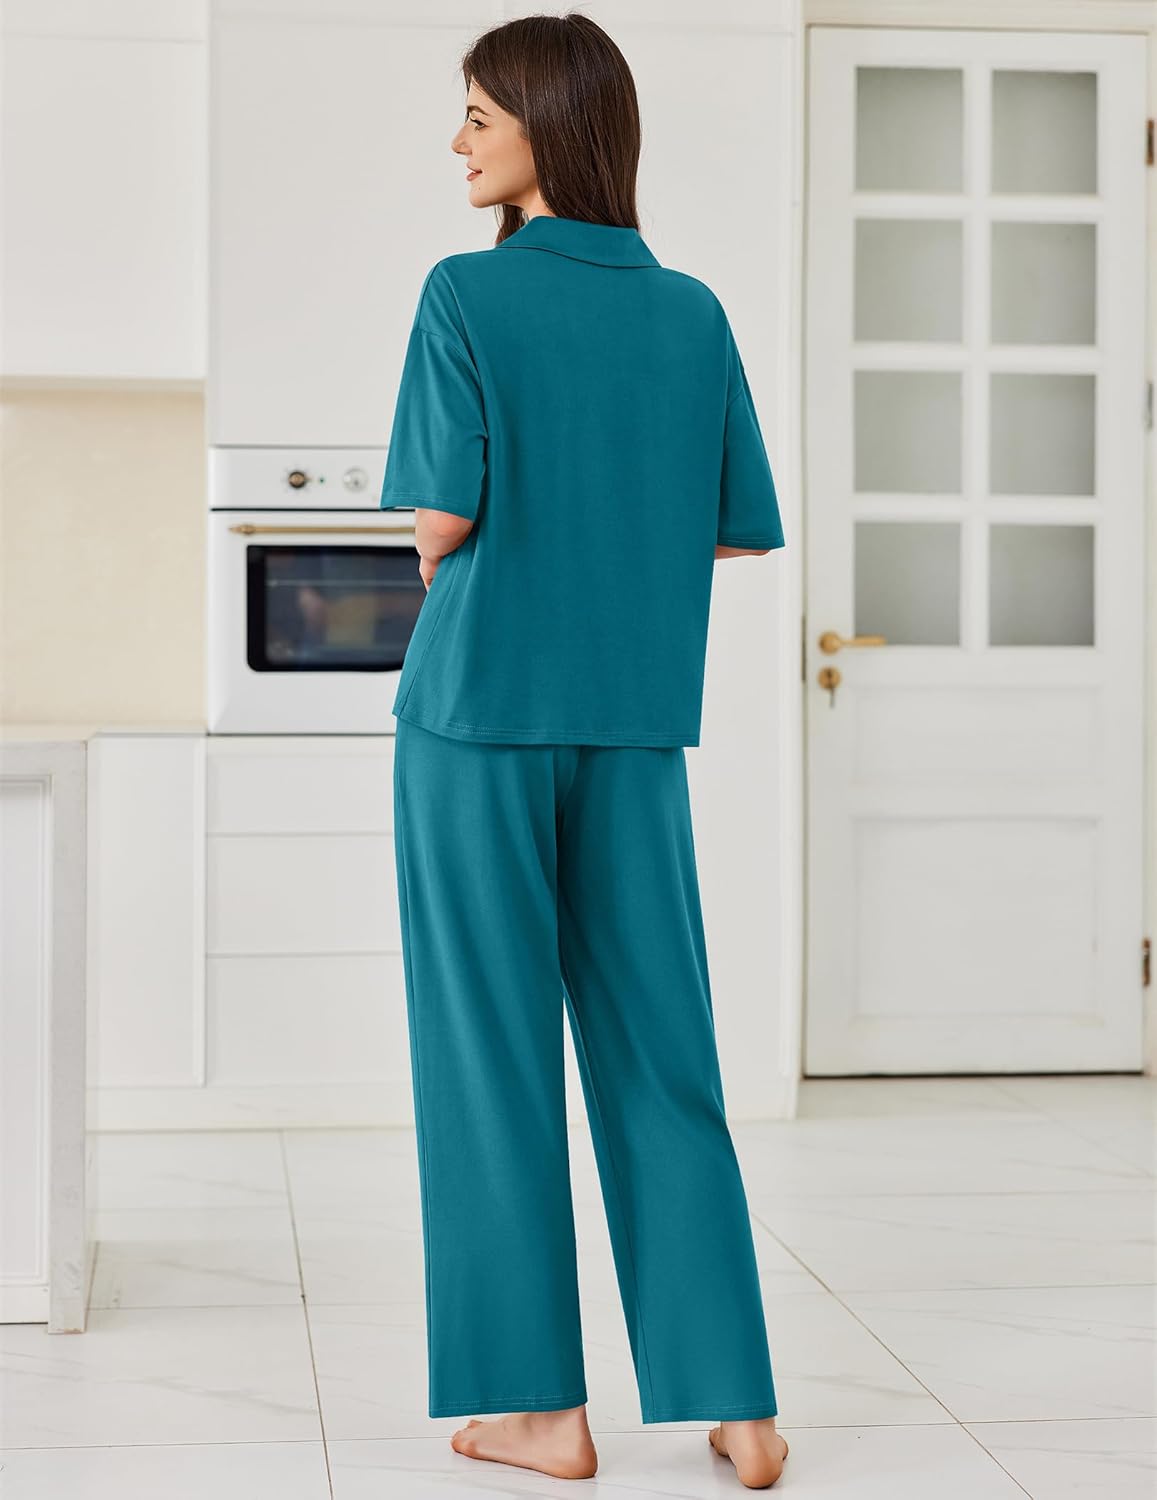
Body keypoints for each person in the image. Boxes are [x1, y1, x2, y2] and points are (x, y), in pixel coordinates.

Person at [379, 11, 788, 1490]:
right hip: (632, 724)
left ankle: (538, 1412)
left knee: (489, 1057)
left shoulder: (465, 294)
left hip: (474, 714)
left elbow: (440, 517)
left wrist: (466, 558)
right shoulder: (692, 311)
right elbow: (734, 527)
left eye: (479, 116)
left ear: (548, 127)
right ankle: (736, 1401)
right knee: (664, 1053)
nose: (459, 142)